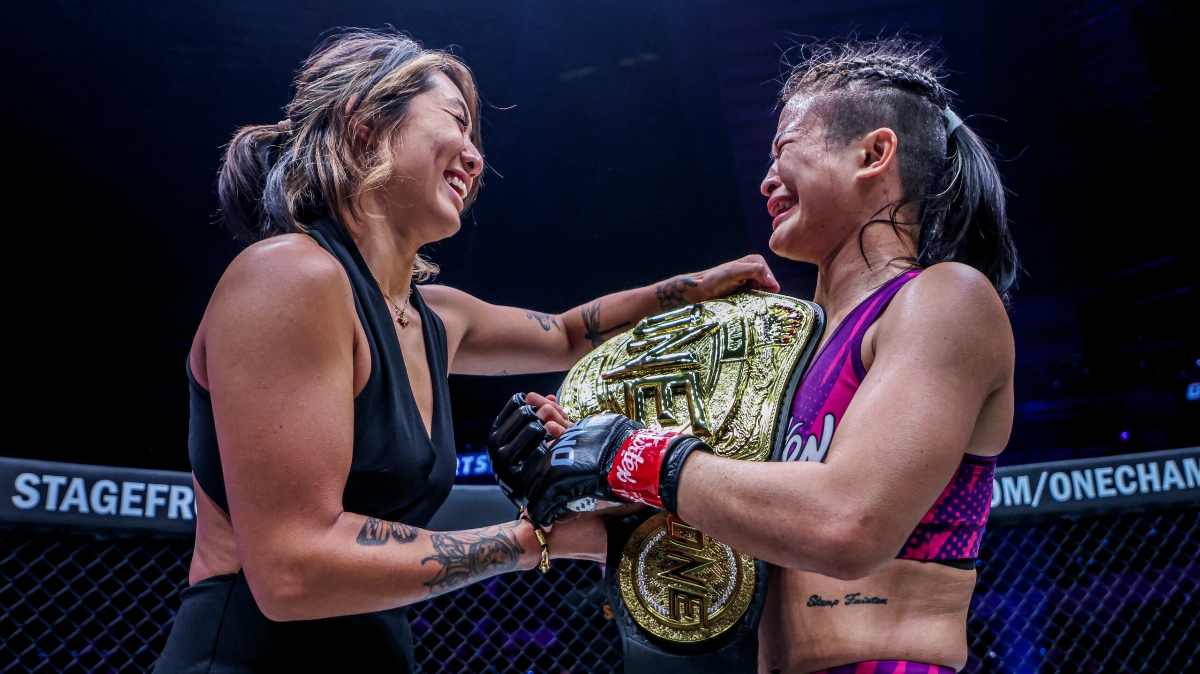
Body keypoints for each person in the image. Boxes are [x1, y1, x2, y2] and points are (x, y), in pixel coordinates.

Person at [154, 29, 779, 672]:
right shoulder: (289, 275)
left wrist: (690, 291)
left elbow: (568, 335)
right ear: (366, 124)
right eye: (456, 120)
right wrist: (537, 539)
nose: (476, 157)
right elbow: (292, 570)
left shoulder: (436, 316)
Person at [499, 37, 1019, 674]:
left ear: (873, 154)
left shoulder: (945, 298)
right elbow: (722, 525)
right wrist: (573, 477)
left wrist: (630, 455)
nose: (766, 179)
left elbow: (849, 523)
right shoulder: (789, 351)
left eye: (785, 149)